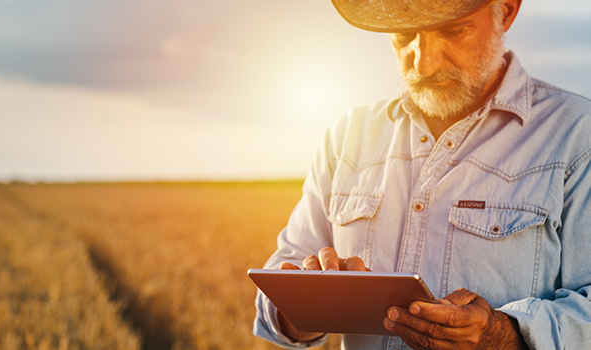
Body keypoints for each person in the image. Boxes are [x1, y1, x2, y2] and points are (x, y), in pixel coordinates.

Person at [253, 0, 591, 349]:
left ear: (505, 10)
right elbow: (281, 287)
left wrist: (502, 336)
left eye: (452, 30)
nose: (423, 63)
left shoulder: (578, 135)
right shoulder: (346, 136)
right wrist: (301, 307)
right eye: (403, 35)